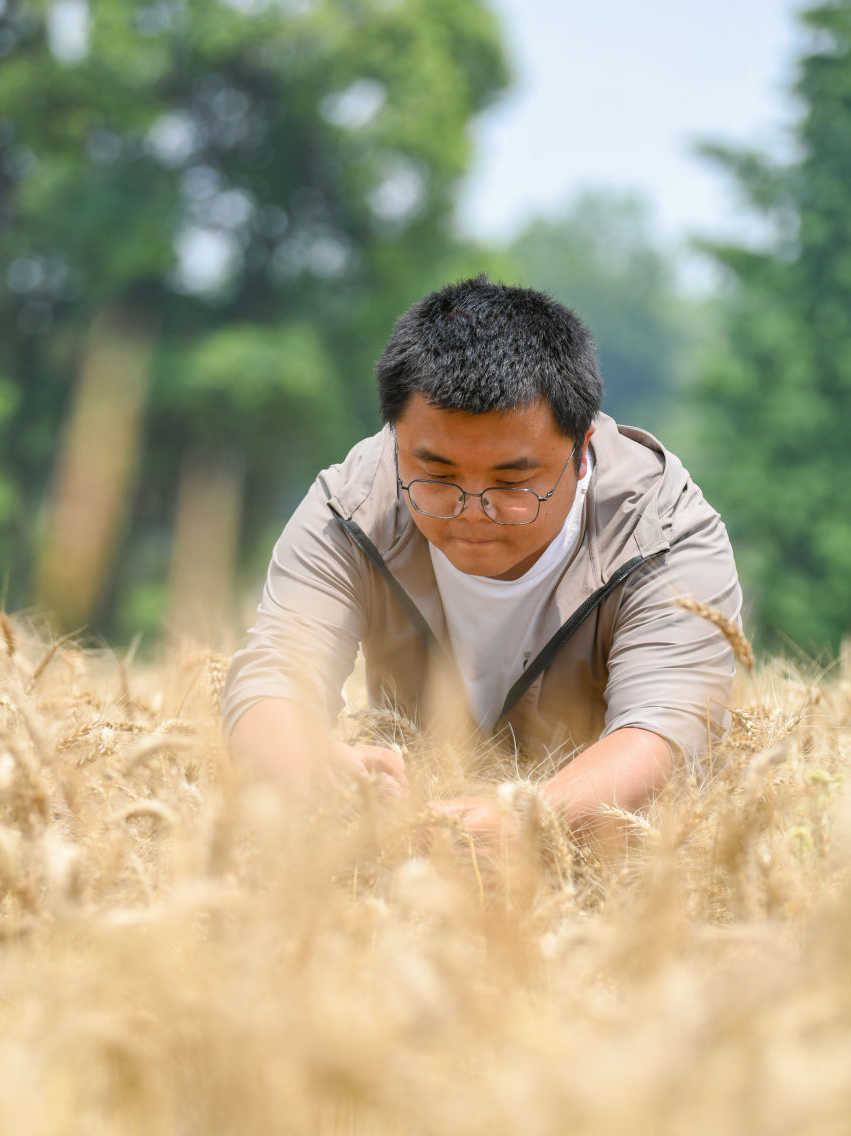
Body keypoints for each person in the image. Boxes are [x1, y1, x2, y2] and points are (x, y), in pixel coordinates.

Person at [222, 277, 741, 831]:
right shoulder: (352, 506)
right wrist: (310, 768)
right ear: (396, 439)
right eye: (437, 475)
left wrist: (528, 822)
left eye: (512, 482)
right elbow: (273, 678)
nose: (472, 510)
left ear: (581, 452)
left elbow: (667, 726)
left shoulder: (660, 532)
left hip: (606, 856)